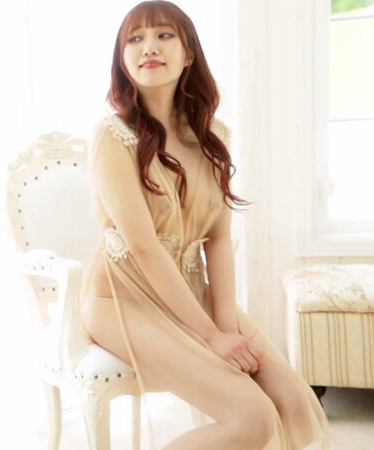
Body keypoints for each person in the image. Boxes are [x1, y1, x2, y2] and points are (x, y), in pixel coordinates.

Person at [79, 1, 330, 448]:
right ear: (122, 59)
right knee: (253, 419)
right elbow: (143, 247)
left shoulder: (214, 138)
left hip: (190, 289)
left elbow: (218, 240)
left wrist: (227, 327)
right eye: (135, 39)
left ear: (189, 54)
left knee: (297, 404)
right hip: (123, 299)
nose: (148, 47)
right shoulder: (112, 136)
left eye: (163, 35)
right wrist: (212, 336)